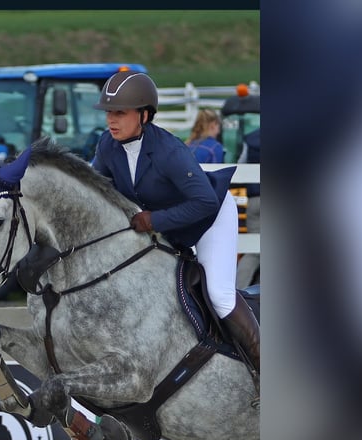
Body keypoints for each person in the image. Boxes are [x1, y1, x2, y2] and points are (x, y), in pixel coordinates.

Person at [90, 71, 259, 376]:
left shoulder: (169, 151)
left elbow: (205, 201)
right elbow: (95, 190)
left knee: (219, 294)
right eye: (108, 113)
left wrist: (153, 219)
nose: (111, 120)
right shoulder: (107, 146)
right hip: (168, 226)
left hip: (211, 218)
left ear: (143, 115)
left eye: (119, 113)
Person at [235, 127, 261, 288]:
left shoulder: (251, 138)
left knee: (253, 251)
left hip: (254, 199)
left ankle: (239, 289)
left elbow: (240, 165)